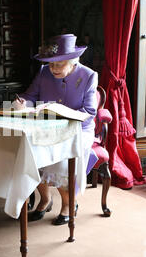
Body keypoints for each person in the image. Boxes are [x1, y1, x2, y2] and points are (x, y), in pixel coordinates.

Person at [13, 33, 98, 225]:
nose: (53, 69)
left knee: (60, 160)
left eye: (59, 64)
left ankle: (69, 204)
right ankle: (45, 199)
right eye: (51, 64)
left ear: (73, 62)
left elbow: (89, 112)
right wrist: (23, 103)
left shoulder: (88, 76)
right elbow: (30, 96)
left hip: (78, 130)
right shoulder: (44, 72)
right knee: (31, 154)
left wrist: (62, 115)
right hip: (46, 127)